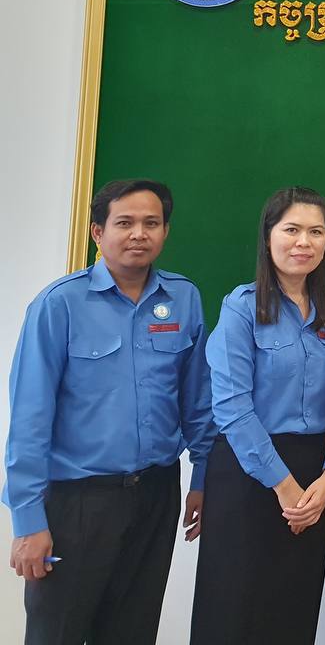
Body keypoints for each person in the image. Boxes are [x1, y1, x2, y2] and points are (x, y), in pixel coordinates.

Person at [4, 179, 213, 645]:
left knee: (132, 631)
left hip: (156, 493)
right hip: (77, 502)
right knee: (57, 632)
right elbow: (29, 419)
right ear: (98, 232)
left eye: (151, 223)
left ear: (165, 231)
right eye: (125, 223)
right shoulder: (60, 304)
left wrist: (203, 476)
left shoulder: (184, 299)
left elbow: (197, 400)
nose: (139, 233)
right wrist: (28, 522)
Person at [190, 186, 325, 645]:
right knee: (233, 611)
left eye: (316, 232)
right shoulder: (241, 308)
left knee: (292, 608)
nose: (304, 242)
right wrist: (285, 487)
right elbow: (232, 407)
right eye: (292, 229)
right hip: (249, 473)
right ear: (268, 236)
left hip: (314, 476)